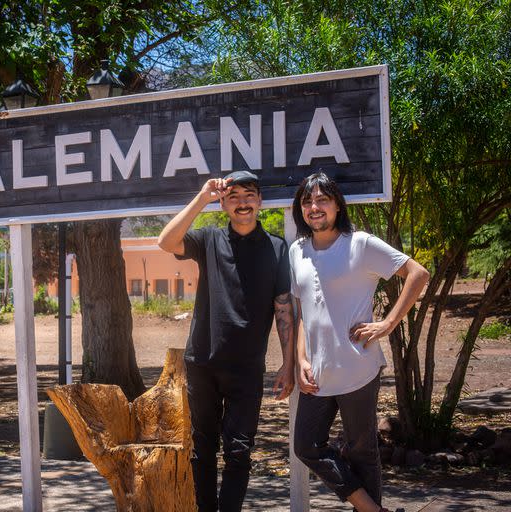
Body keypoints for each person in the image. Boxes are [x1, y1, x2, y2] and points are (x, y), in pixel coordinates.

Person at [289, 172, 429, 512]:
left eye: (322, 199)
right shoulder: (297, 251)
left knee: (362, 451)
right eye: (307, 201)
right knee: (306, 446)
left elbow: (418, 274)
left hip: (357, 369)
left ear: (337, 205)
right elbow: (304, 311)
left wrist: (388, 323)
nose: (314, 207)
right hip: (318, 376)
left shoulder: (360, 244)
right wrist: (300, 359)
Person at [158, 170, 295, 512]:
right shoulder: (208, 239)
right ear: (223, 204)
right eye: (233, 197)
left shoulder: (278, 248)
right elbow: (166, 241)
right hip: (202, 362)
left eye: (249, 195)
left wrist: (288, 363)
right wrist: (202, 198)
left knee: (239, 450)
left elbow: (283, 309)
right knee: (202, 448)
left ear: (260, 202)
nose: (243, 203)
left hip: (247, 368)